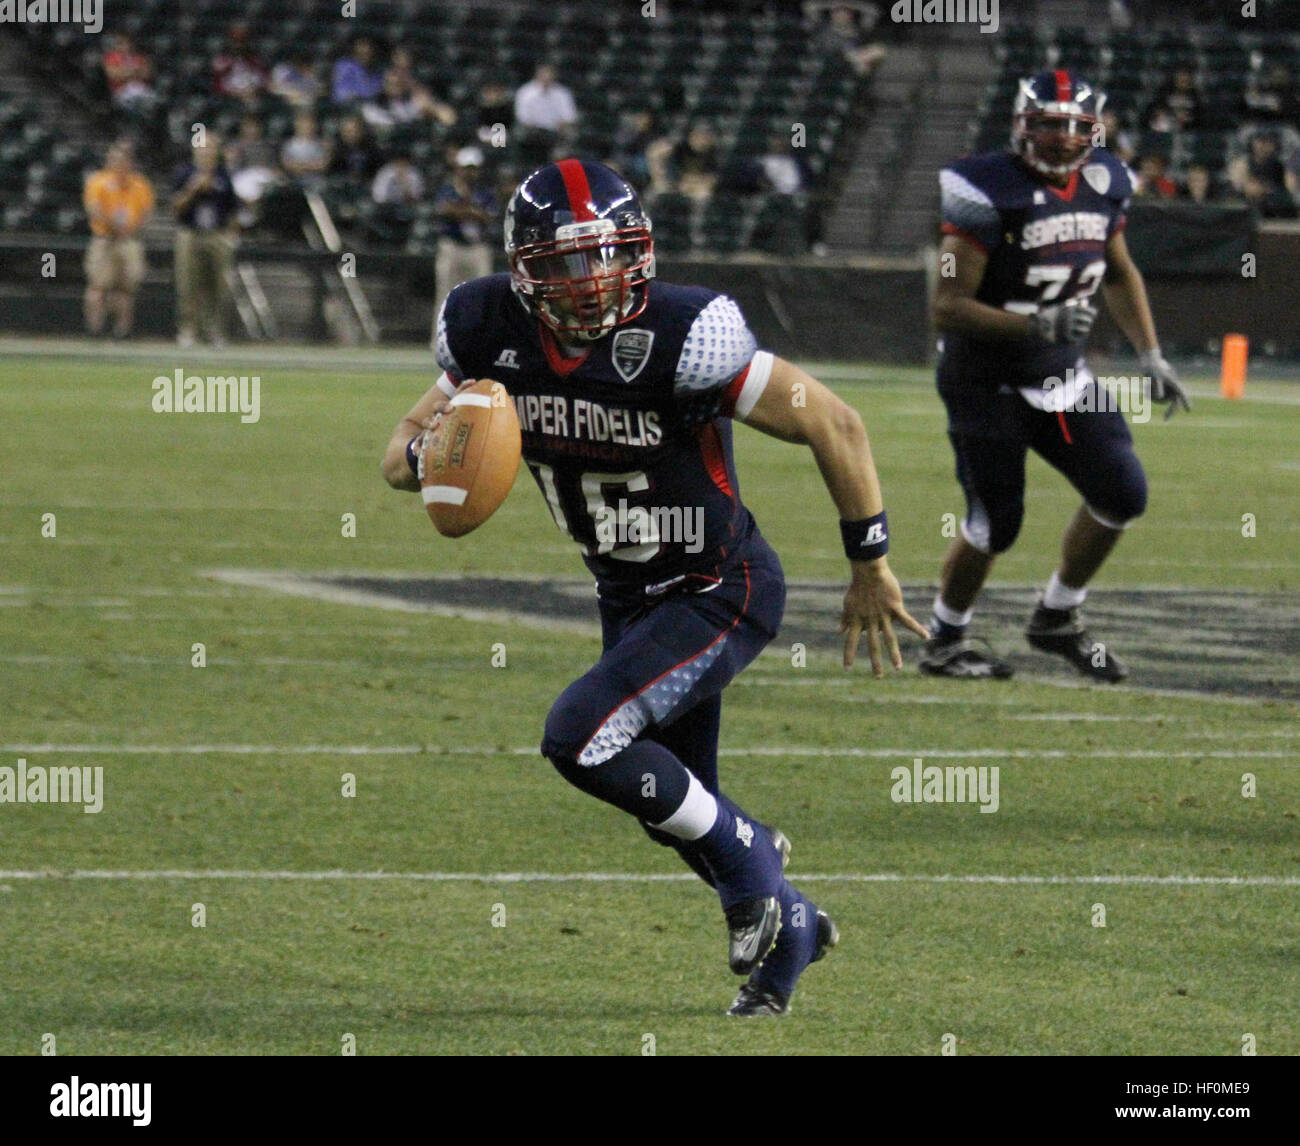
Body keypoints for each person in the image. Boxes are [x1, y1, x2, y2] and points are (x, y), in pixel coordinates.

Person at [382, 160, 927, 1016]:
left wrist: (871, 561)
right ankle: (793, 937)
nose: (590, 281)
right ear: (525, 268)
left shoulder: (685, 333)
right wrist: (434, 453)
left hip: (720, 585)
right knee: (668, 799)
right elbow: (400, 452)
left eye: (606, 256)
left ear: (639, 253)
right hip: (629, 594)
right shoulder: (488, 327)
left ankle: (757, 865)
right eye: (564, 263)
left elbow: (833, 419)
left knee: (580, 736)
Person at [923, 71, 1190, 681]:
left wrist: (1150, 355)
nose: (1063, 140)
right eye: (1049, 124)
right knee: (996, 525)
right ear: (1023, 124)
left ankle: (1057, 616)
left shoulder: (1106, 181)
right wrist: (1037, 328)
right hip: (984, 379)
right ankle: (944, 639)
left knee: (1121, 493)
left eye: (1075, 127)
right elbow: (947, 305)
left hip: (1062, 378)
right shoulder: (983, 188)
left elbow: (1118, 272)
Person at [172, 135, 240, 347]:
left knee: (219, 285)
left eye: (210, 147)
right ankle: (188, 330)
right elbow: (175, 207)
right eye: (202, 147)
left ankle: (215, 331)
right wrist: (193, 189)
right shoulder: (184, 173)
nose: (206, 152)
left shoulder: (223, 175)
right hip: (190, 233)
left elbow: (232, 209)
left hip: (217, 233)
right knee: (188, 284)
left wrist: (231, 236)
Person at [82, 142, 154, 338]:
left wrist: (130, 229)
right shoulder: (98, 181)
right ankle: (94, 330)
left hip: (130, 240)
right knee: (97, 286)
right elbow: (94, 209)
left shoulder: (139, 184)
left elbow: (146, 212)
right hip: (104, 238)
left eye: (122, 159)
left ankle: (121, 332)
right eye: (114, 159)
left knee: (125, 288)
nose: (118, 163)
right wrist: (115, 228)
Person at [429, 146, 497, 338]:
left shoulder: (485, 192)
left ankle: (480, 340)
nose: (470, 172)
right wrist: (472, 212)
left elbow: (488, 217)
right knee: (445, 296)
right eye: (467, 167)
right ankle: (440, 341)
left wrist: (463, 211)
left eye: (473, 168)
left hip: (477, 248)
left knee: (482, 298)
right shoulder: (448, 188)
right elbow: (445, 210)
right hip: (452, 246)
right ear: (458, 168)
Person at [513, 64, 578, 167]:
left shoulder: (563, 93)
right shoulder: (525, 92)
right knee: (521, 133)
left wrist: (561, 126)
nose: (546, 77)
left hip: (555, 132)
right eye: (543, 74)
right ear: (537, 75)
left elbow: (569, 117)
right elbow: (523, 118)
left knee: (570, 136)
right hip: (532, 131)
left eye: (549, 74)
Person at [1228, 129, 1297, 218]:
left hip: (1271, 205)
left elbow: (1289, 188)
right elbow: (1239, 185)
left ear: (1275, 145)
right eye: (1260, 141)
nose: (1263, 146)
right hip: (1245, 204)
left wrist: (1265, 190)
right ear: (1252, 143)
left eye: (1269, 142)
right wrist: (1248, 186)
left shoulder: (1279, 166)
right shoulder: (1242, 163)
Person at [212, 24, 268, 104]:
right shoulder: (221, 60)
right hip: (229, 100)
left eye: (241, 42)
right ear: (230, 42)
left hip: (253, 97)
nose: (238, 45)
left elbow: (263, 81)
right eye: (235, 42)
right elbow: (217, 85)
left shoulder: (255, 60)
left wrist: (251, 93)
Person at [280, 111, 330, 189]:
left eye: (309, 124)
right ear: (297, 125)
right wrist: (311, 165)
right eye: (303, 124)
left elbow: (323, 165)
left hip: (317, 182)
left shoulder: (322, 144)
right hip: (295, 182)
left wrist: (300, 166)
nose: (307, 127)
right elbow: (288, 165)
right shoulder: (289, 144)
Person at [332, 35, 383, 106]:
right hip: (347, 108)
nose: (367, 49)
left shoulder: (378, 70)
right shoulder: (344, 66)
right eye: (362, 45)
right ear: (354, 47)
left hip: (372, 108)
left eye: (370, 45)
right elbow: (340, 94)